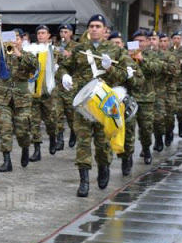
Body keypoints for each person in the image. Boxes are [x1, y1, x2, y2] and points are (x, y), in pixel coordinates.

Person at [58, 14, 128, 197]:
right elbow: (65, 67)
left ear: (105, 30)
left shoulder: (115, 50)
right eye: (92, 26)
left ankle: (104, 167)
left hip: (105, 105)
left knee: (102, 143)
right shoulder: (80, 49)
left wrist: (111, 68)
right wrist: (64, 76)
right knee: (83, 141)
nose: (94, 29)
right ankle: (84, 181)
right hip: (84, 104)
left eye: (98, 26)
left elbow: (125, 76)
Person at [0, 28, 38, 172]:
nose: (14, 42)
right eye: (11, 39)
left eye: (17, 39)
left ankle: (25, 147)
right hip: (3, 96)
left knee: (22, 130)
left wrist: (18, 54)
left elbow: (34, 67)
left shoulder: (28, 55)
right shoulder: (1, 55)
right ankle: (7, 160)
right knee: (4, 127)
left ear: (21, 41)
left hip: (22, 97)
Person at [106, 31, 144, 176]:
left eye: (118, 43)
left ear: (122, 45)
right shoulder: (102, 59)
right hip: (107, 103)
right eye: (113, 43)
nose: (116, 45)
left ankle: (126, 158)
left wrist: (130, 77)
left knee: (128, 133)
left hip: (125, 102)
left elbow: (140, 82)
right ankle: (106, 163)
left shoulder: (128, 60)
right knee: (106, 133)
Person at [130, 30, 161, 165]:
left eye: (142, 41)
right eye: (136, 41)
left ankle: (146, 148)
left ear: (148, 42)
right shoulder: (127, 55)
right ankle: (127, 156)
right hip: (130, 96)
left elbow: (156, 69)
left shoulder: (152, 55)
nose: (139, 44)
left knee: (146, 127)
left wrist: (142, 59)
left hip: (146, 98)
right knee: (128, 129)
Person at [28, 25, 59, 161]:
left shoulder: (54, 50)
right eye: (38, 33)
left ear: (48, 35)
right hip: (34, 89)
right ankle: (37, 149)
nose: (40, 35)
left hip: (48, 91)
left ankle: (53, 137)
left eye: (43, 33)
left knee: (51, 120)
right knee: (34, 122)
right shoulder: (31, 49)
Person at [52, 23, 78, 151]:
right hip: (57, 84)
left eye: (66, 32)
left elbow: (79, 65)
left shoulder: (76, 47)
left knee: (71, 113)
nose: (63, 34)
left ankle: (74, 132)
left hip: (69, 85)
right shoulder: (56, 46)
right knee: (57, 113)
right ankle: (60, 139)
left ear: (71, 33)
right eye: (62, 31)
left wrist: (71, 57)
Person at [158, 32, 181, 147]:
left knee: (169, 116)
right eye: (160, 41)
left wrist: (159, 66)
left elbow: (176, 72)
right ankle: (158, 139)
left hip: (170, 90)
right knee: (157, 117)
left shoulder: (174, 56)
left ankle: (169, 132)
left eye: (165, 41)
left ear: (169, 42)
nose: (163, 44)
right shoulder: (153, 54)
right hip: (156, 90)